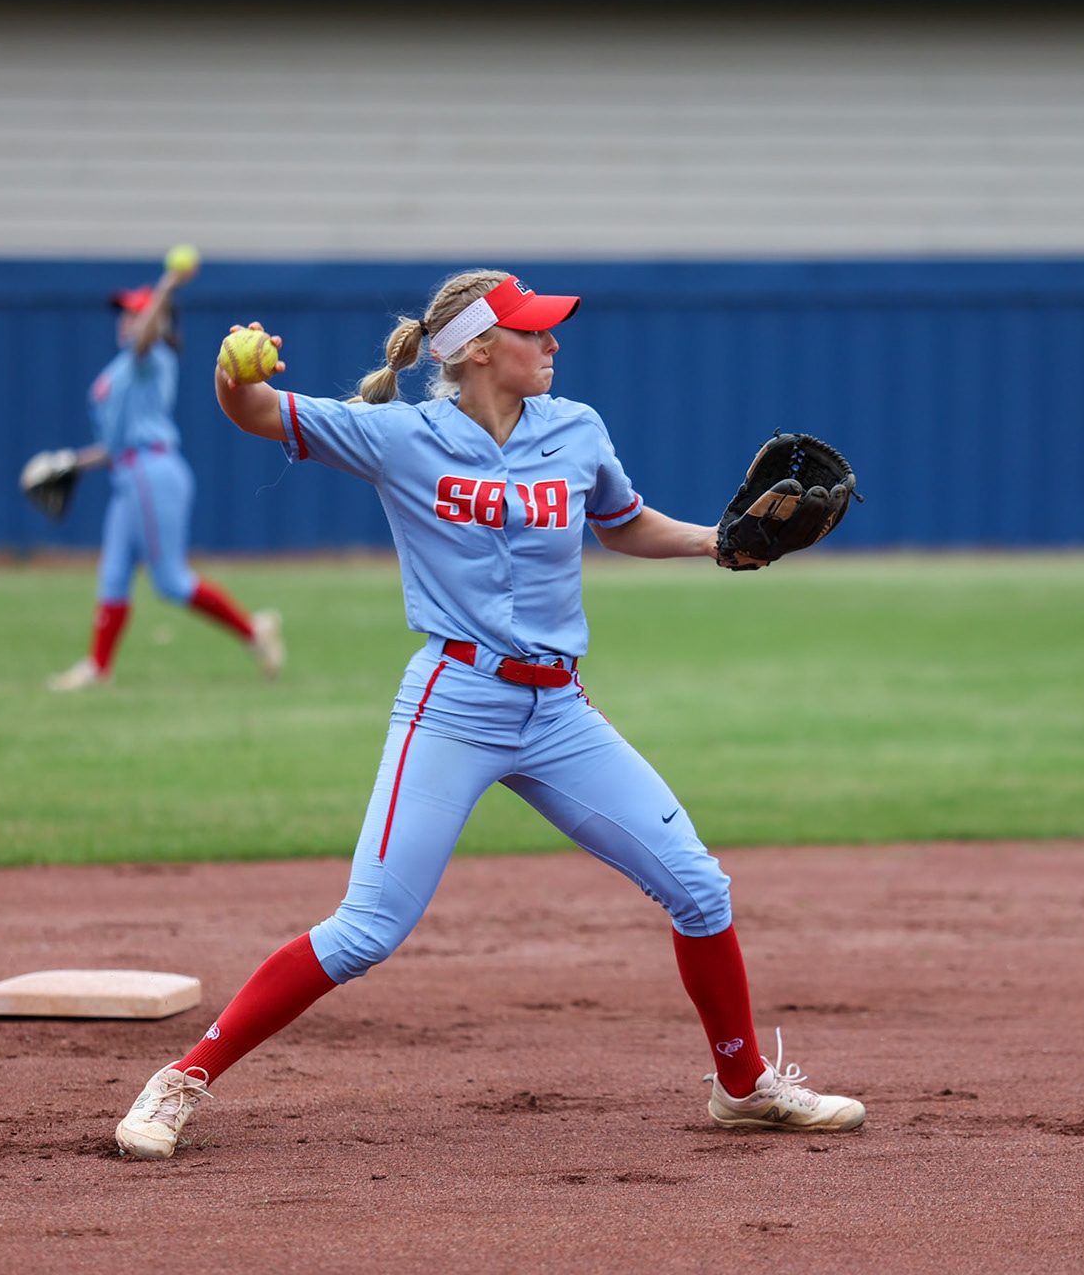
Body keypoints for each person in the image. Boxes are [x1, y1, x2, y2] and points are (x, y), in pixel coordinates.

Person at [114, 269, 864, 1159]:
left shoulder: (576, 429)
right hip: (455, 703)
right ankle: (180, 1080)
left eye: (549, 331)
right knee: (366, 931)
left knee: (699, 888)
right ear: (476, 350)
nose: (552, 343)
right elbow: (255, 411)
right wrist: (233, 374)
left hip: (558, 711)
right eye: (531, 332)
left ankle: (743, 1089)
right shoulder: (400, 436)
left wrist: (716, 541)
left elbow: (617, 524)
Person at [47, 258, 285, 690]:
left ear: (156, 319)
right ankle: (98, 667)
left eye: (136, 311)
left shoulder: (151, 356)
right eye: (126, 311)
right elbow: (116, 444)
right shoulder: (119, 370)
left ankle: (254, 632)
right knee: (114, 573)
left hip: (153, 471)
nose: (127, 319)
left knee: (171, 581)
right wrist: (71, 463)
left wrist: (168, 285)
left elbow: (145, 338)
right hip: (128, 473)